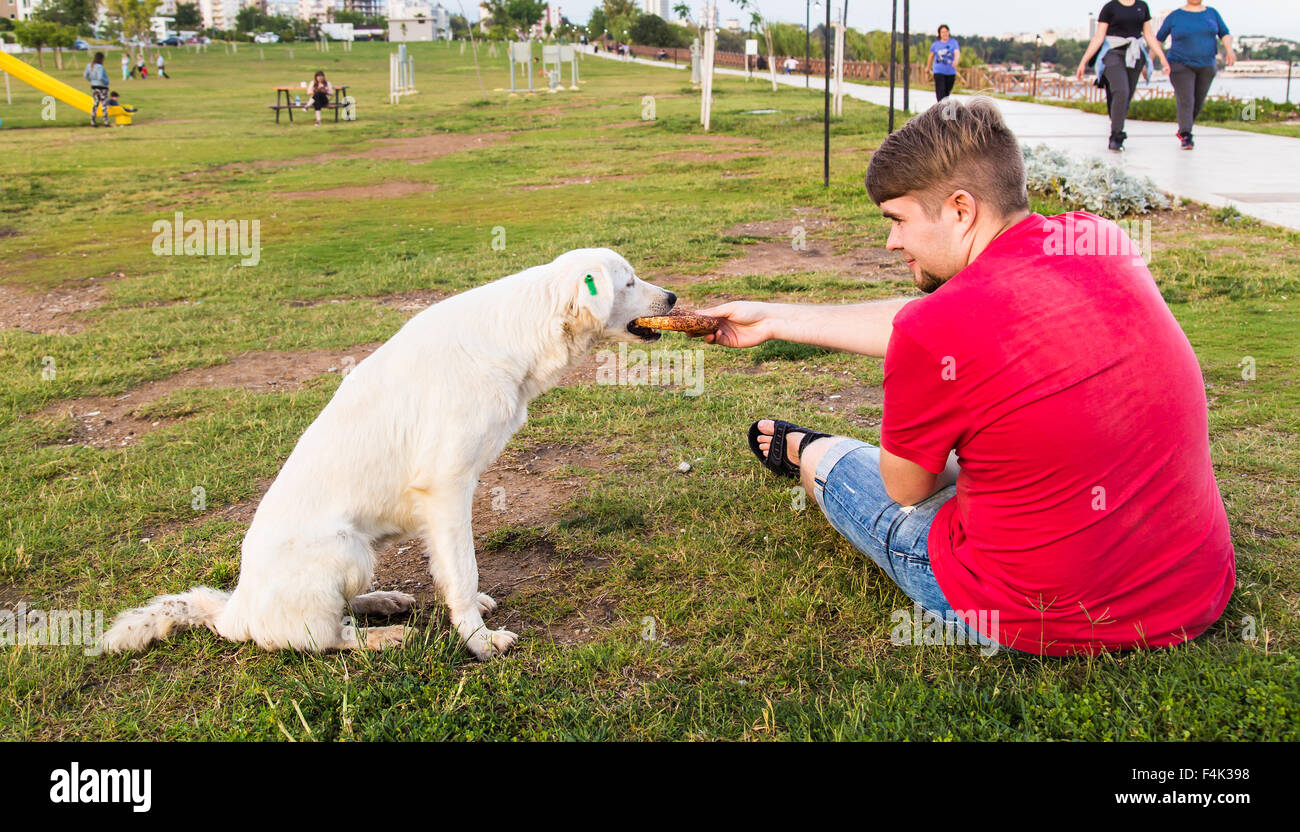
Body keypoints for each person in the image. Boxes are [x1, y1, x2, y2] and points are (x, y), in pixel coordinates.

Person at [691, 98, 1234, 656]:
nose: (891, 242)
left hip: (1030, 612)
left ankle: (807, 453)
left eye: (898, 220)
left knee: (851, 470)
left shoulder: (938, 329)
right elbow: (941, 327)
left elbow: (907, 490)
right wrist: (778, 319)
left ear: (959, 210)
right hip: (1192, 590)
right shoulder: (1095, 238)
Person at [1076, 0, 1171, 152]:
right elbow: (1099, 37)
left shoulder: (1142, 6)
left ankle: (1116, 123)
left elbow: (1148, 35)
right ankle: (1116, 135)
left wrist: (1162, 58)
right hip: (1113, 53)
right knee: (1121, 91)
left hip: (1135, 55)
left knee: (1125, 96)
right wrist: (1083, 62)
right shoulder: (1110, 7)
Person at [1157, 0, 1234, 149]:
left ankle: (1183, 128)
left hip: (1207, 65)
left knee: (1198, 101)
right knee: (1187, 100)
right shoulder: (1175, 16)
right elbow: (1159, 39)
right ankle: (1186, 135)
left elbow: (1224, 33)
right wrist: (1150, 60)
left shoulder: (1212, 13)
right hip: (1180, 64)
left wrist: (1230, 50)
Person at [928, 24, 960, 101]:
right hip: (938, 71)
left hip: (950, 71)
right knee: (940, 90)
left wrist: (956, 60)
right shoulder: (935, 44)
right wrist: (928, 67)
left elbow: (957, 52)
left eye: (946, 32)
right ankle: (941, 108)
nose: (945, 34)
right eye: (942, 32)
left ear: (949, 32)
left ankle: (943, 106)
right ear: (939, 34)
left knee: (946, 92)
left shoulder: (953, 42)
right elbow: (931, 56)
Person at [83, 52, 110, 127]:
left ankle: (92, 121)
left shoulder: (89, 66)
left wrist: (91, 80)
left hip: (94, 86)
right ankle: (105, 122)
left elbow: (85, 76)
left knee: (95, 104)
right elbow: (100, 77)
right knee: (104, 104)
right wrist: (106, 82)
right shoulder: (100, 67)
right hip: (102, 87)